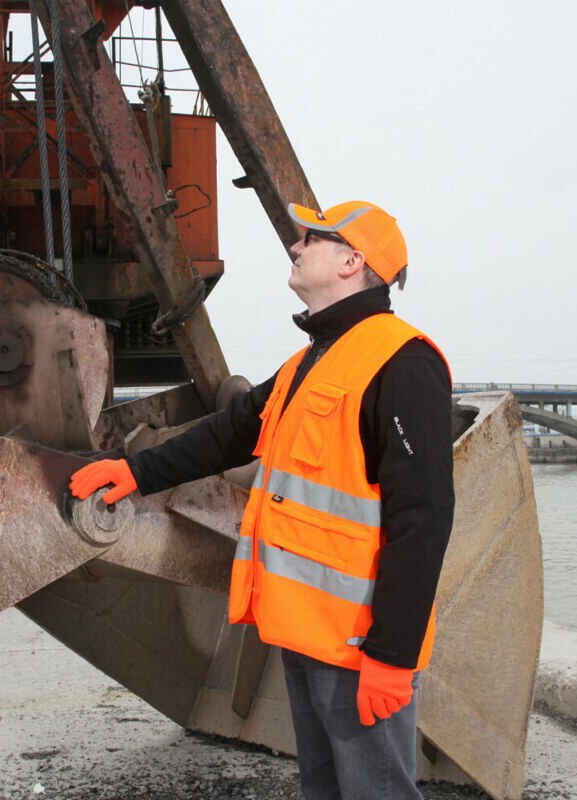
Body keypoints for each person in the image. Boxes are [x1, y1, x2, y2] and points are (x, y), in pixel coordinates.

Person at [69, 200, 455, 800]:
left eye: (313, 240)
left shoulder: (402, 361)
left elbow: (423, 519)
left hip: (358, 646)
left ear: (353, 261)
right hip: (301, 634)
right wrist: (135, 472)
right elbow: (230, 433)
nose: (297, 248)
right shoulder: (310, 361)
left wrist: (393, 654)